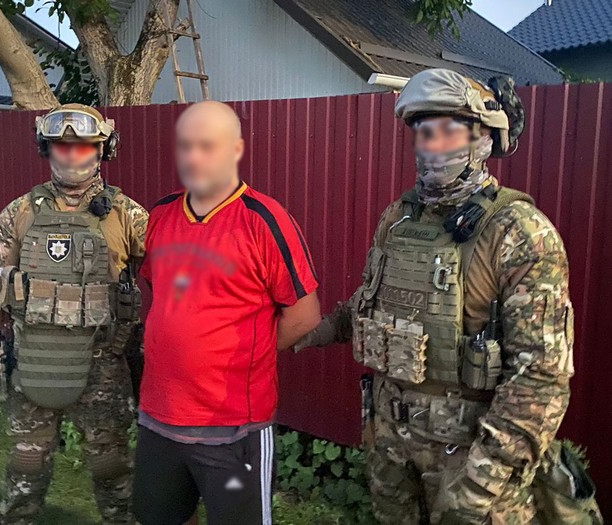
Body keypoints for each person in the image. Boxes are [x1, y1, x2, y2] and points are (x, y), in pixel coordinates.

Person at [296, 69, 602, 524]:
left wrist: (480, 484)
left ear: (483, 139)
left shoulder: (519, 233)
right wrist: (308, 332)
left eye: (448, 131)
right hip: (392, 450)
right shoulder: (399, 219)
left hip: (472, 463)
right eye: (423, 132)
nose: (432, 146)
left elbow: (540, 378)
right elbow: (370, 301)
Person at [132, 101, 321, 525]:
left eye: (207, 146)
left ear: (235, 149)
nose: (194, 157)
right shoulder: (161, 214)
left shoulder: (264, 220)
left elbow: (305, 314)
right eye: (185, 146)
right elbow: (162, 293)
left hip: (233, 427)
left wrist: (241, 354)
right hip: (159, 416)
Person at [0, 104, 148, 524]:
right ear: (46, 148)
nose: (71, 155)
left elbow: (177, 273)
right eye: (62, 146)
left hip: (102, 368)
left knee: (112, 469)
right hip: (34, 361)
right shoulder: (20, 213)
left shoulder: (127, 215)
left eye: (83, 146)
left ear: (102, 150)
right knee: (26, 467)